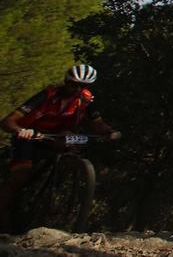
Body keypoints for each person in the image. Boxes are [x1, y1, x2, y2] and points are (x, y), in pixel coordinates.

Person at [0, 64, 121, 229]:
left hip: (56, 137)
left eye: (82, 86)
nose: (77, 89)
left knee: (71, 145)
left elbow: (97, 124)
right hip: (31, 136)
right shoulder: (47, 95)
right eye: (73, 84)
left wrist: (110, 132)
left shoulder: (85, 99)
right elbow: (8, 121)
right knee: (20, 175)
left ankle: (56, 192)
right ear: (66, 81)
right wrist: (21, 130)